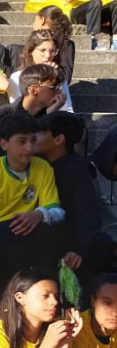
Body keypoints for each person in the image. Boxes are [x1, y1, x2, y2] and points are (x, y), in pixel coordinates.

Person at [0, 113, 64, 315]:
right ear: (4, 144)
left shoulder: (43, 169)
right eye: (21, 141)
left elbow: (58, 212)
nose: (29, 148)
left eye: (33, 141)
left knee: (41, 233)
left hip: (21, 236)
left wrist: (39, 214)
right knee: (3, 237)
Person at [35, 113, 115, 286]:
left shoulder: (76, 169)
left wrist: (77, 248)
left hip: (67, 237)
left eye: (41, 133)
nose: (34, 138)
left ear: (58, 140)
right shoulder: (35, 163)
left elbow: (88, 214)